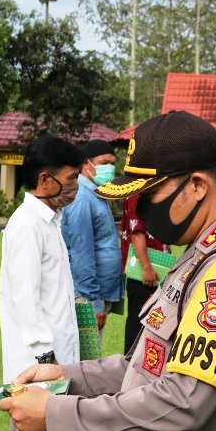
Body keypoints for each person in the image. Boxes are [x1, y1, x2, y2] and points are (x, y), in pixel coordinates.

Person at [0, 111, 216, 431]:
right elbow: (147, 365)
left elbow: (182, 401)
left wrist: (56, 416)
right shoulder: (202, 253)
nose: (138, 211)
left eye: (148, 196)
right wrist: (66, 376)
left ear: (198, 185)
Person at [0, 135, 83, 431]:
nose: (78, 186)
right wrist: (45, 359)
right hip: (37, 367)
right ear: (46, 180)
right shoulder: (26, 226)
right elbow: (25, 299)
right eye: (73, 177)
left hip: (54, 363)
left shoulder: (50, 221)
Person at [61, 139, 124, 344]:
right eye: (105, 162)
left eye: (113, 163)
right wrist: (93, 302)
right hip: (87, 296)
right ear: (87, 164)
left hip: (98, 292)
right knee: (85, 360)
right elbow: (81, 253)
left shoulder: (96, 195)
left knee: (90, 354)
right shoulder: (82, 199)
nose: (110, 168)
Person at [119, 193, 170, 353]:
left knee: (152, 320)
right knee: (138, 323)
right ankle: (129, 364)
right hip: (144, 274)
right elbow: (137, 233)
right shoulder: (138, 196)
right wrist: (147, 268)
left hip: (155, 269)